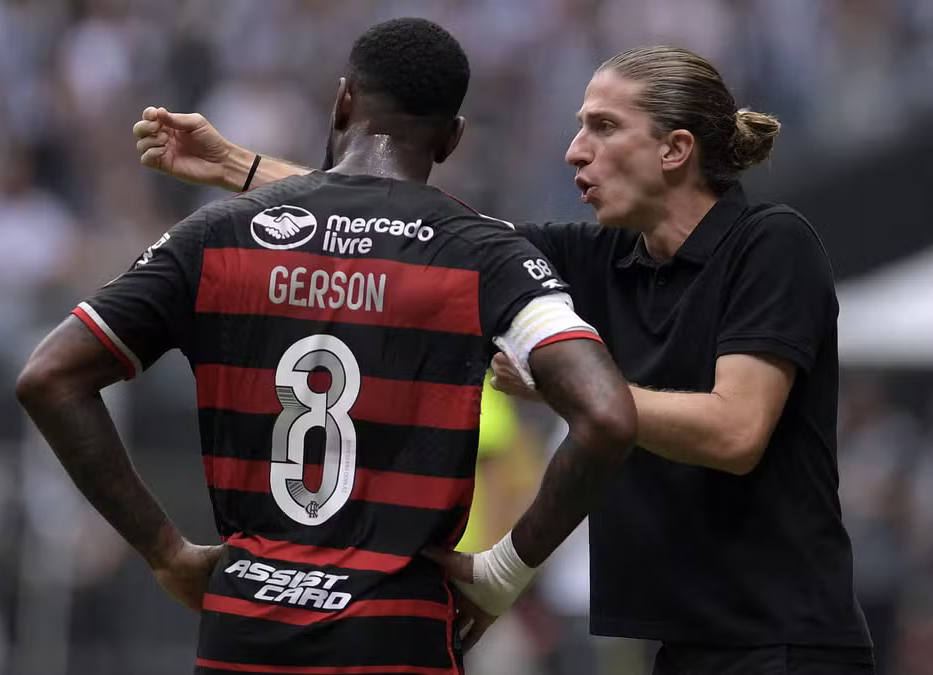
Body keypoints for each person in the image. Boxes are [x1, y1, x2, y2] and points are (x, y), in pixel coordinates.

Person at [131, 43, 876, 675]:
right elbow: (419, 230)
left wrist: (571, 393)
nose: (574, 149)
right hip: (684, 640)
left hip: (788, 642)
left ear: (675, 150)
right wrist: (235, 165)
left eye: (603, 127)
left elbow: (735, 431)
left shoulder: (772, 244)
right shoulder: (606, 257)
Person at [18, 18, 636, 675]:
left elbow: (49, 377)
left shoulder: (217, 234)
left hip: (244, 632)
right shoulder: (483, 255)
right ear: (452, 139)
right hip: (397, 634)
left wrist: (165, 550)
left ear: (343, 100)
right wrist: (503, 572)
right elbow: (607, 414)